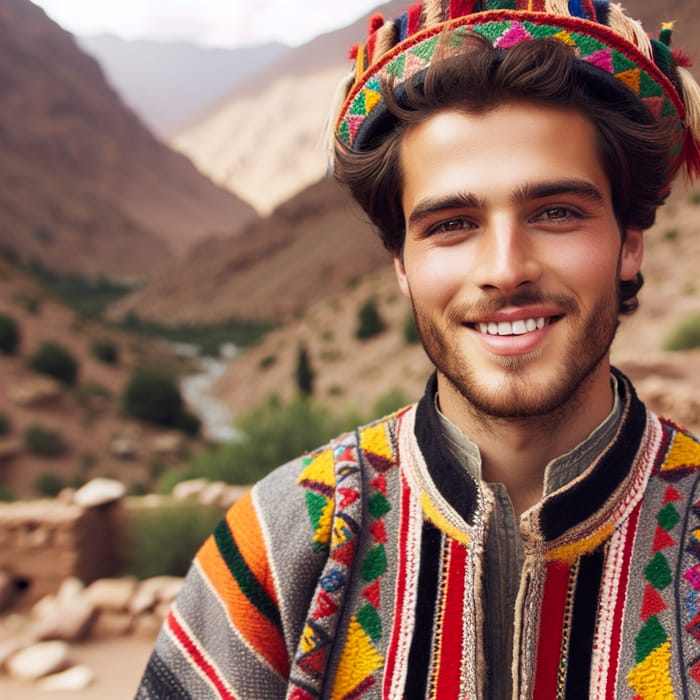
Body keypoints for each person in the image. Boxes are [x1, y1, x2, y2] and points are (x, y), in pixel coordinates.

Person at [136, 1, 700, 698]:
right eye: (452, 224)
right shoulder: (278, 545)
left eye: (556, 212)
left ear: (630, 242)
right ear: (402, 265)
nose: (505, 267)